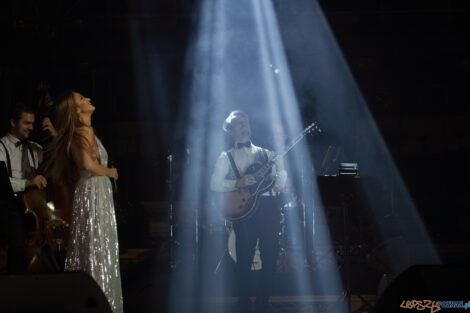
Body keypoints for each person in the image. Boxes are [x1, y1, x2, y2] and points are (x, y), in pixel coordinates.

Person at [45, 90, 123, 313]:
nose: (88, 98)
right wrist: (110, 172)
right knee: (96, 246)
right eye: (81, 99)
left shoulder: (86, 131)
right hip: (94, 192)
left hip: (94, 191)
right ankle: (101, 300)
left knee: (93, 246)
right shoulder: (83, 131)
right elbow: (87, 165)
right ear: (76, 111)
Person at [210, 110, 287, 313]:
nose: (244, 125)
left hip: (269, 208)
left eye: (246, 121)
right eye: (239, 123)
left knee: (270, 257)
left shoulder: (267, 154)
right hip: (243, 210)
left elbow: (280, 186)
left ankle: (264, 301)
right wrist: (238, 182)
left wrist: (280, 167)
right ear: (230, 130)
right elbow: (214, 184)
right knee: (244, 258)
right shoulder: (226, 156)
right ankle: (243, 302)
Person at [0, 104, 48, 273]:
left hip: (35, 206)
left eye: (33, 124)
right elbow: (2, 182)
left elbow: (61, 155)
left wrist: (53, 132)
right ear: (13, 122)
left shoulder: (36, 148)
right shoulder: (1, 147)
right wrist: (28, 183)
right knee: (18, 244)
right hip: (9, 204)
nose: (31, 128)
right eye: (26, 123)